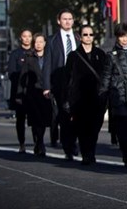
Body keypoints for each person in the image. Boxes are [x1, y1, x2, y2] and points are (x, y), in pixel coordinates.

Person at [101, 23, 127, 167]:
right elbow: (106, 77)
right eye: (121, 37)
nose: (125, 40)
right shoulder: (111, 55)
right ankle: (126, 153)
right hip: (118, 96)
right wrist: (103, 95)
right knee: (122, 128)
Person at [65, 25, 107, 165]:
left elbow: (106, 76)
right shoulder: (73, 56)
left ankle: (91, 152)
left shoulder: (101, 54)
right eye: (85, 34)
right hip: (80, 98)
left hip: (97, 97)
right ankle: (86, 154)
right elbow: (68, 79)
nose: (88, 37)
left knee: (95, 128)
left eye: (91, 34)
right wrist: (68, 99)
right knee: (83, 128)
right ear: (80, 37)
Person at [43, 8, 80, 159]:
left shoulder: (79, 38)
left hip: (77, 84)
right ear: (59, 21)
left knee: (77, 115)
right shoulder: (52, 40)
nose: (67, 21)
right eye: (64, 19)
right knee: (64, 116)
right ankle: (68, 147)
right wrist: (47, 86)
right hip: (60, 84)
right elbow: (47, 65)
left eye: (70, 19)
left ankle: (75, 141)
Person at [17, 33, 53, 157]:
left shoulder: (49, 57)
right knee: (35, 120)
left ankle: (39, 141)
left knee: (43, 121)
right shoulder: (29, 57)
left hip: (46, 93)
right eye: (36, 42)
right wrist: (20, 95)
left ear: (45, 43)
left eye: (41, 42)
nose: (38, 44)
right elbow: (23, 77)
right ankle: (40, 143)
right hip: (33, 94)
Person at [7, 29, 34, 153]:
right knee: (21, 119)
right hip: (20, 92)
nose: (27, 38)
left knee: (35, 118)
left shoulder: (35, 52)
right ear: (20, 38)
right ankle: (22, 143)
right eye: (25, 36)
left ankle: (38, 143)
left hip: (34, 91)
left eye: (29, 36)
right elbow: (11, 73)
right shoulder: (15, 54)